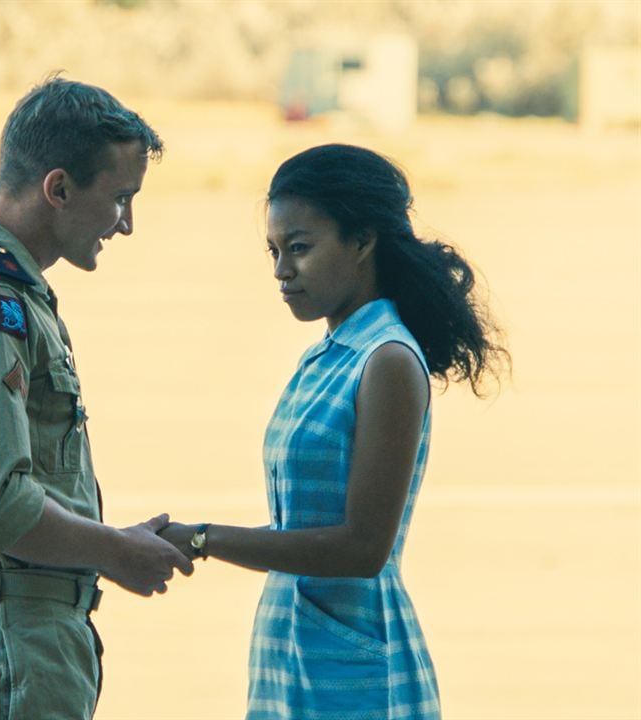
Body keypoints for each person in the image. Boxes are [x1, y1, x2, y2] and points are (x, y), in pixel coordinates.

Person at [161, 144, 510, 719]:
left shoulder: (387, 360)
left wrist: (204, 538)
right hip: (291, 654)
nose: (281, 271)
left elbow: (363, 547)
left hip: (353, 671)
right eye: (273, 251)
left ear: (363, 241)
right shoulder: (327, 357)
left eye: (299, 248)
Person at [0, 77, 194, 720]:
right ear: (58, 189)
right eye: (120, 198)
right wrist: (116, 551)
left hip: (2, 634)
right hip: (9, 644)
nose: (128, 224)